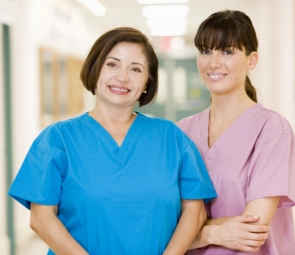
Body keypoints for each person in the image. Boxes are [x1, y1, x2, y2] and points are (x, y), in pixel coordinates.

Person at [8, 27, 217, 255]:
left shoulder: (171, 137)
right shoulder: (58, 139)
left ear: (148, 81)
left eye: (135, 69)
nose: (123, 76)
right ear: (95, 69)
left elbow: (194, 211)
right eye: (112, 64)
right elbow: (41, 218)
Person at [177, 10, 295, 255]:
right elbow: (164, 224)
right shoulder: (182, 131)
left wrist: (191, 232)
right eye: (205, 51)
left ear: (251, 60)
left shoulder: (271, 129)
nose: (213, 62)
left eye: (227, 51)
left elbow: (252, 231)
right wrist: (215, 232)